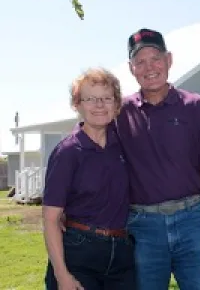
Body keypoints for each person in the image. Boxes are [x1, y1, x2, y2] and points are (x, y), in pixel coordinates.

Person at [116, 28, 200, 289]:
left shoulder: (195, 106)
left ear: (169, 60)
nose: (149, 67)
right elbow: (95, 158)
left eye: (155, 58)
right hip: (142, 228)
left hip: (194, 223)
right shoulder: (120, 113)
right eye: (140, 61)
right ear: (131, 68)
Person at [43, 68, 136, 290]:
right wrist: (62, 275)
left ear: (116, 105)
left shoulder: (123, 143)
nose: (99, 105)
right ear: (77, 104)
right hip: (79, 253)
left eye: (106, 98)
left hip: (122, 254)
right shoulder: (68, 152)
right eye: (90, 99)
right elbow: (51, 219)